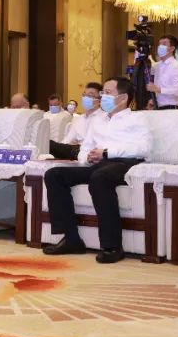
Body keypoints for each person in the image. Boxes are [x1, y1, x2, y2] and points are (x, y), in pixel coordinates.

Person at [42, 76, 151, 263]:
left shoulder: (137, 118)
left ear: (123, 98)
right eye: (102, 93)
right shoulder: (98, 120)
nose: (103, 97)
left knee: (100, 178)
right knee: (54, 175)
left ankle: (112, 246)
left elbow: (145, 148)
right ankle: (71, 239)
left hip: (125, 164)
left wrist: (107, 152)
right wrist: (87, 157)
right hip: (98, 164)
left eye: (107, 93)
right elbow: (85, 148)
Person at [50, 82, 102, 160]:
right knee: (49, 144)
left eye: (90, 96)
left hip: (91, 152)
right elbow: (67, 140)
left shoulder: (103, 118)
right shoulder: (79, 119)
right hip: (74, 150)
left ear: (100, 100)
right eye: (84, 95)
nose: (85, 98)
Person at [147, 35, 178, 109]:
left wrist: (159, 89)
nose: (160, 46)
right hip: (158, 107)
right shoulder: (156, 66)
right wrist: (153, 100)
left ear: (172, 48)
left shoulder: (176, 66)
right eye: (159, 44)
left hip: (171, 108)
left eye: (164, 44)